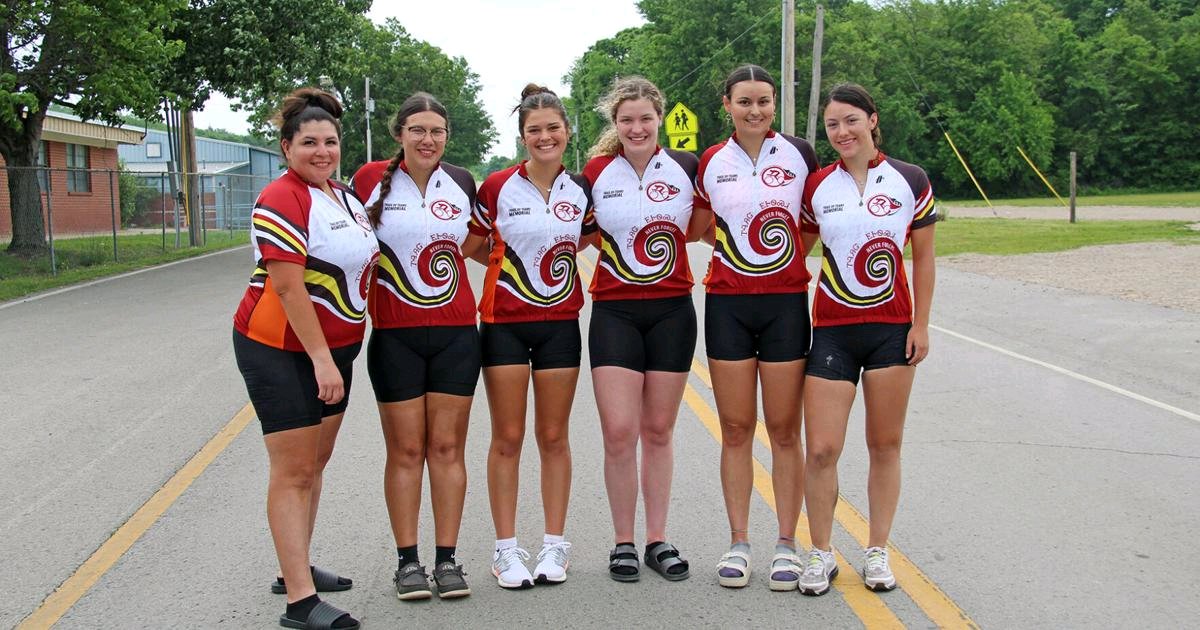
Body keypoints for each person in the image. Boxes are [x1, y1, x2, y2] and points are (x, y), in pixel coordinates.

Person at [232, 87, 377, 630]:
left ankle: (295, 568)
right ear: (287, 146)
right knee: (293, 471)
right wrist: (320, 360)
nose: (322, 151)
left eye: (331, 142)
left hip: (337, 347)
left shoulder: (341, 195)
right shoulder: (282, 196)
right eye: (309, 142)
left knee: (314, 465)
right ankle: (299, 602)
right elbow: (290, 290)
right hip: (282, 349)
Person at [796, 83, 937, 596]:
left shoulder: (910, 180)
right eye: (833, 124)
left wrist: (921, 324)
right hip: (832, 328)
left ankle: (877, 551)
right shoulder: (816, 186)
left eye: (851, 120)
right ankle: (821, 552)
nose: (842, 132)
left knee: (884, 443)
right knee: (823, 450)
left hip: (891, 330)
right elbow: (797, 246)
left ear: (873, 120)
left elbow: (923, 257)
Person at [691, 64, 819, 591]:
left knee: (786, 431)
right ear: (726, 104)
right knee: (738, 428)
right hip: (727, 307)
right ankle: (739, 542)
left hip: (786, 304)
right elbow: (698, 227)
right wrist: (738, 253)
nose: (755, 110)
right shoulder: (711, 162)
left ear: (775, 104)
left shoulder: (800, 154)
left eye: (764, 101)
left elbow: (812, 222)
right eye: (744, 101)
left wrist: (780, 260)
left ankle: (787, 544)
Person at [353, 92, 483, 601]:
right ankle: (407, 562)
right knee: (406, 451)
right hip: (394, 337)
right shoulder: (367, 179)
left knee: (447, 449)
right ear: (399, 134)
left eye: (437, 131)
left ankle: (447, 560)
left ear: (447, 137)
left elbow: (477, 241)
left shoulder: (462, 180)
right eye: (417, 131)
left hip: (455, 334)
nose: (427, 140)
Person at [468, 84, 593, 589]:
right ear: (522, 137)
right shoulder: (497, 187)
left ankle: (554, 546)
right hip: (504, 324)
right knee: (508, 437)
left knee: (554, 436)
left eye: (553, 128)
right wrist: (510, 270)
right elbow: (475, 245)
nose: (545, 137)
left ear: (567, 132)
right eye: (534, 130)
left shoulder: (580, 187)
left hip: (561, 323)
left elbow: (584, 236)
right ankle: (505, 550)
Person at [580, 76, 699, 582]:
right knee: (619, 431)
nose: (636, 127)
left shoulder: (688, 168)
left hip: (673, 311)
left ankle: (657, 539)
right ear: (615, 124)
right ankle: (622, 541)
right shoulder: (595, 172)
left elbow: (711, 225)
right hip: (615, 312)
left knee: (658, 430)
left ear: (660, 118)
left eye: (645, 118)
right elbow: (573, 233)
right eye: (626, 120)